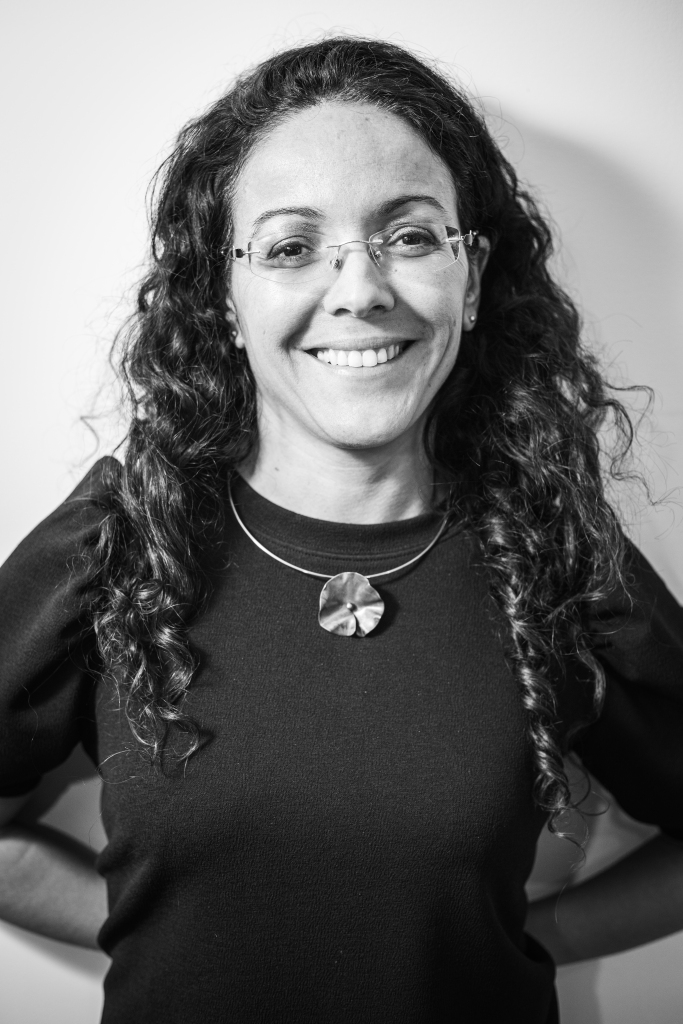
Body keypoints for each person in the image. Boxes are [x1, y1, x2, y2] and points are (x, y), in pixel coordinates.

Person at [0, 36, 682, 1024]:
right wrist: (153, 927)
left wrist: (527, 936)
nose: (360, 290)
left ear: (472, 274)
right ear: (224, 295)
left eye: (408, 236)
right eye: (290, 247)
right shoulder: (120, 538)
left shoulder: (553, 549)